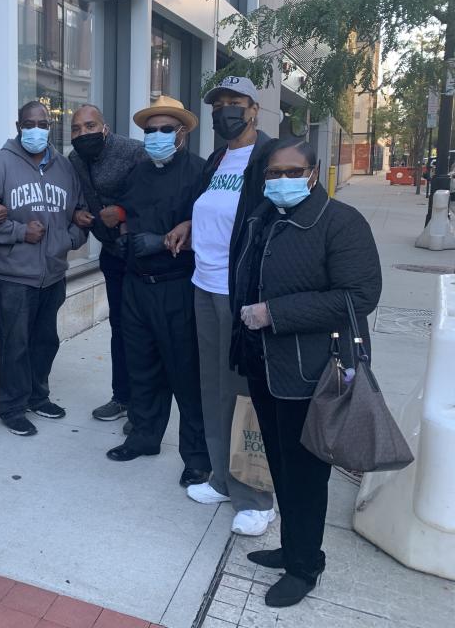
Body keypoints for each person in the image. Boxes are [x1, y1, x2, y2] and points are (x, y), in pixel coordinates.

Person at [232, 137, 381, 606]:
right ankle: (291, 546)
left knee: (306, 472)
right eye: (272, 173)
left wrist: (275, 312)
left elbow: (357, 297)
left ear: (313, 174)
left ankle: (305, 566)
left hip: (310, 372)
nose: (279, 181)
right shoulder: (263, 218)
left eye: (290, 172)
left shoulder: (339, 223)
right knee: (280, 463)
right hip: (263, 365)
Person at [167, 76, 276, 536]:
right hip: (205, 285)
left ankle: (256, 496)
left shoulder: (272, 156)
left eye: (235, 103)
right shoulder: (218, 158)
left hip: (242, 292)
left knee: (247, 393)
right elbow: (218, 209)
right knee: (212, 387)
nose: (225, 111)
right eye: (218, 104)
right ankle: (221, 476)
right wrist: (190, 222)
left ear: (254, 109)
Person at [104, 97, 211, 488]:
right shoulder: (139, 171)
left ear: (182, 133)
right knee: (142, 367)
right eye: (150, 130)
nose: (156, 136)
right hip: (136, 285)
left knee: (185, 373)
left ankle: (197, 457)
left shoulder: (201, 172)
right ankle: (144, 437)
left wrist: (170, 237)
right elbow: (125, 214)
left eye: (165, 130)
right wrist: (124, 235)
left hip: (177, 286)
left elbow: (212, 225)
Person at [0, 100, 87, 436]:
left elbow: (80, 211)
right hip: (13, 276)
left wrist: (68, 240)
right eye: (29, 123)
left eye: (43, 123)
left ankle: (38, 396)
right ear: (19, 126)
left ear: (50, 126)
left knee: (45, 340)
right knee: (14, 344)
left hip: (53, 273)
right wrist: (20, 232)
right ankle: (11, 407)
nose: (36, 129)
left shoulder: (64, 168)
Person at [67, 104, 146, 424]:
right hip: (111, 254)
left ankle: (143, 407)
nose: (83, 133)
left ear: (105, 127)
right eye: (76, 128)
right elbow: (76, 197)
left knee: (141, 330)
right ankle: (122, 397)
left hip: (142, 255)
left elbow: (153, 195)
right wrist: (76, 214)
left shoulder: (134, 152)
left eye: (90, 126)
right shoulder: (74, 159)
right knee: (119, 328)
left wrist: (124, 212)